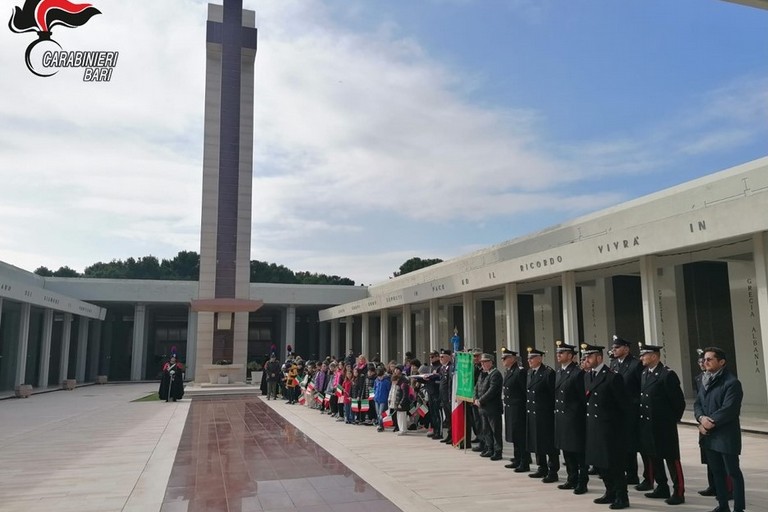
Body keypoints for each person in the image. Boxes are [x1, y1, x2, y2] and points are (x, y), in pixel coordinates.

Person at [694, 347, 746, 512]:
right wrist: (701, 419)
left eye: (710, 359)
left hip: (725, 436)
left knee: (733, 472)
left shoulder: (731, 382)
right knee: (716, 472)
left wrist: (711, 422)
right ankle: (723, 505)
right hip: (708, 434)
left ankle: (738, 508)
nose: (705, 362)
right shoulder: (705, 379)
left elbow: (729, 408)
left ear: (721, 362)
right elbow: (698, 404)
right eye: (705, 359)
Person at [637, 342, 687, 505]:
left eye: (644, 355)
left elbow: (678, 402)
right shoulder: (645, 373)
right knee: (654, 456)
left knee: (671, 459)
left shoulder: (667, 375)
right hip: (648, 425)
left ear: (654, 356)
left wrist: (671, 420)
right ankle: (661, 487)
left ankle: (678, 491)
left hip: (664, 426)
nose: (641, 358)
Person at [582, 343, 630, 510]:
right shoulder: (587, 376)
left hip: (610, 429)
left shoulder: (612, 377)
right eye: (585, 356)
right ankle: (609, 491)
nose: (586, 359)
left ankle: (622, 496)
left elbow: (623, 405)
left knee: (614, 465)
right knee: (600, 464)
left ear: (599, 358)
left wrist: (620, 430)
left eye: (589, 356)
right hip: (594, 428)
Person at [610, 335, 648, 488]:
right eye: (613, 348)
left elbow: (642, 387)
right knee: (625, 445)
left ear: (626, 348)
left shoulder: (635, 364)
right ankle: (630, 474)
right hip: (619, 412)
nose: (614, 350)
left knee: (639, 446)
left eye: (617, 348)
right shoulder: (613, 364)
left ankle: (647, 477)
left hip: (633, 411)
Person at [553, 341, 588, 494]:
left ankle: (582, 481)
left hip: (574, 419)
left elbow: (583, 399)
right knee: (566, 451)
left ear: (570, 356)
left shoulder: (578, 373)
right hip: (562, 418)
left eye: (562, 353)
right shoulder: (559, 372)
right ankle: (571, 478)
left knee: (578, 452)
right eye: (558, 353)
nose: (558, 355)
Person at [525, 347, 559, 483]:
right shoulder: (529, 373)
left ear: (539, 358)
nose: (529, 361)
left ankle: (552, 470)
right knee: (536, 441)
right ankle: (541, 467)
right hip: (533, 413)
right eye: (528, 358)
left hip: (545, 414)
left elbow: (552, 394)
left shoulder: (548, 373)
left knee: (548, 443)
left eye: (532, 358)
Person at [501, 348, 530, 472]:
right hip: (510, 408)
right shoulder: (509, 371)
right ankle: (517, 459)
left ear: (512, 359)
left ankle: (524, 461)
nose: (503, 360)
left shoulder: (520, 372)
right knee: (514, 435)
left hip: (518, 409)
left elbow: (524, 392)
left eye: (505, 358)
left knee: (520, 436)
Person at [474, 353, 503, 461]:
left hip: (492, 407)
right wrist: (475, 398)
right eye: (482, 362)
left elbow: (492, 390)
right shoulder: (483, 373)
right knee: (486, 429)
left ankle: (497, 451)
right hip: (482, 407)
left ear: (491, 362)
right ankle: (489, 448)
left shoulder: (495, 374)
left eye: (485, 362)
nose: (483, 364)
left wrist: (480, 400)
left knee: (495, 430)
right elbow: (477, 387)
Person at [438, 349, 454, 443]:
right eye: (440, 357)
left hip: (448, 397)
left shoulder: (450, 367)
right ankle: (449, 434)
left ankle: (452, 435)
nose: (440, 358)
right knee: (447, 418)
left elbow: (449, 384)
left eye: (442, 357)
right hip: (443, 397)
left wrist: (449, 397)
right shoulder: (442, 368)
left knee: (450, 417)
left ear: (448, 357)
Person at [373, 367, 392, 431]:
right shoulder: (376, 380)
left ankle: (381, 425)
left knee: (381, 413)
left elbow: (389, 390)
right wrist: (375, 395)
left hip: (383, 400)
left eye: (381, 376)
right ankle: (380, 424)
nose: (380, 378)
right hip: (377, 399)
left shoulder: (386, 382)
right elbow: (375, 388)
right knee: (378, 413)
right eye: (379, 376)